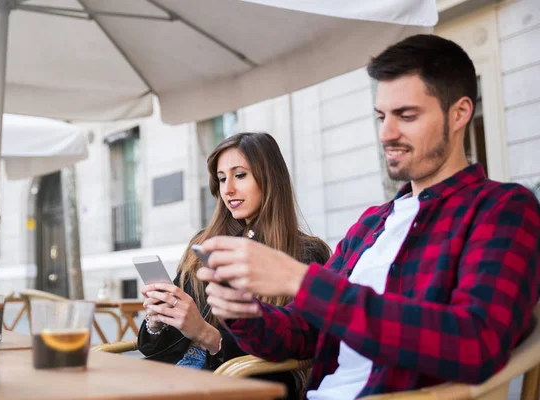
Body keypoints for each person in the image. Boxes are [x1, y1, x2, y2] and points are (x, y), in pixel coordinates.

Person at [197, 34, 540, 400]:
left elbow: (475, 344)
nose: (386, 134)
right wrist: (245, 314)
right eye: (381, 117)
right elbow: (303, 333)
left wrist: (301, 280)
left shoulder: (502, 209)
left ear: (459, 113)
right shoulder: (371, 224)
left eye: (406, 116)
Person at [138, 132, 331, 392]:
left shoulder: (305, 253)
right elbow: (155, 348)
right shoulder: (205, 244)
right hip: (176, 377)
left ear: (268, 178)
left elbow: (294, 352)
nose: (227, 189)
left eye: (240, 175)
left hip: (240, 384)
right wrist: (158, 320)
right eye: (221, 179)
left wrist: (206, 334)